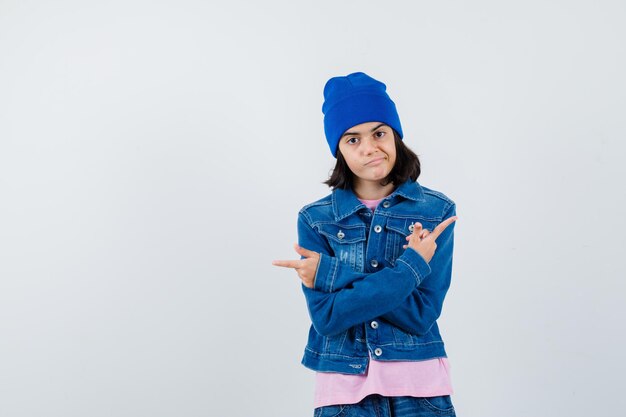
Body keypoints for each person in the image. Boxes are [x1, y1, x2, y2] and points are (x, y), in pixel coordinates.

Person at [273, 72, 459, 417]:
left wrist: (330, 274)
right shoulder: (315, 219)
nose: (370, 148)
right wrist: (411, 267)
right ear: (339, 150)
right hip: (343, 391)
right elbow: (328, 318)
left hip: (421, 389)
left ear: (395, 136)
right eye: (352, 140)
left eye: (379, 133)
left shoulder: (437, 212)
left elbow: (421, 315)